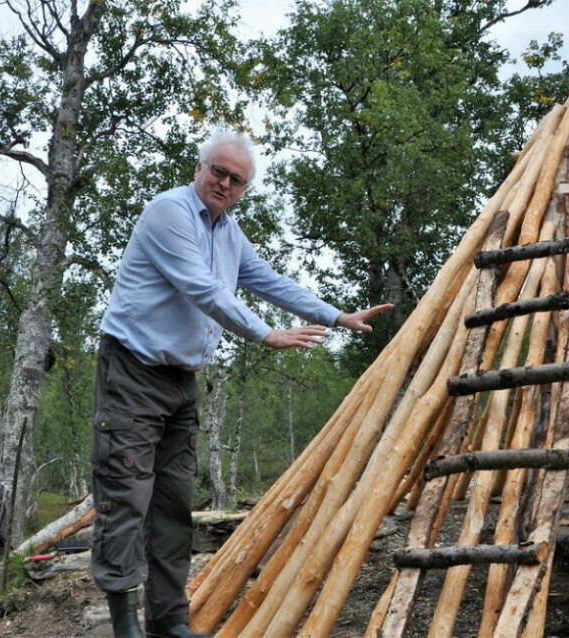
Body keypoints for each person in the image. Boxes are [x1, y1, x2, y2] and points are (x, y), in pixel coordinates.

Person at [91, 131, 392, 638]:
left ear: (243, 189)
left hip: (181, 380)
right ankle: (125, 626)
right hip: (132, 372)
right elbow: (201, 288)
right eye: (219, 172)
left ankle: (168, 622)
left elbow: (268, 280)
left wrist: (336, 315)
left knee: (172, 505)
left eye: (236, 180)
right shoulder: (169, 213)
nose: (225, 184)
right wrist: (265, 333)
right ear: (199, 168)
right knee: (125, 497)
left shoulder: (228, 232)